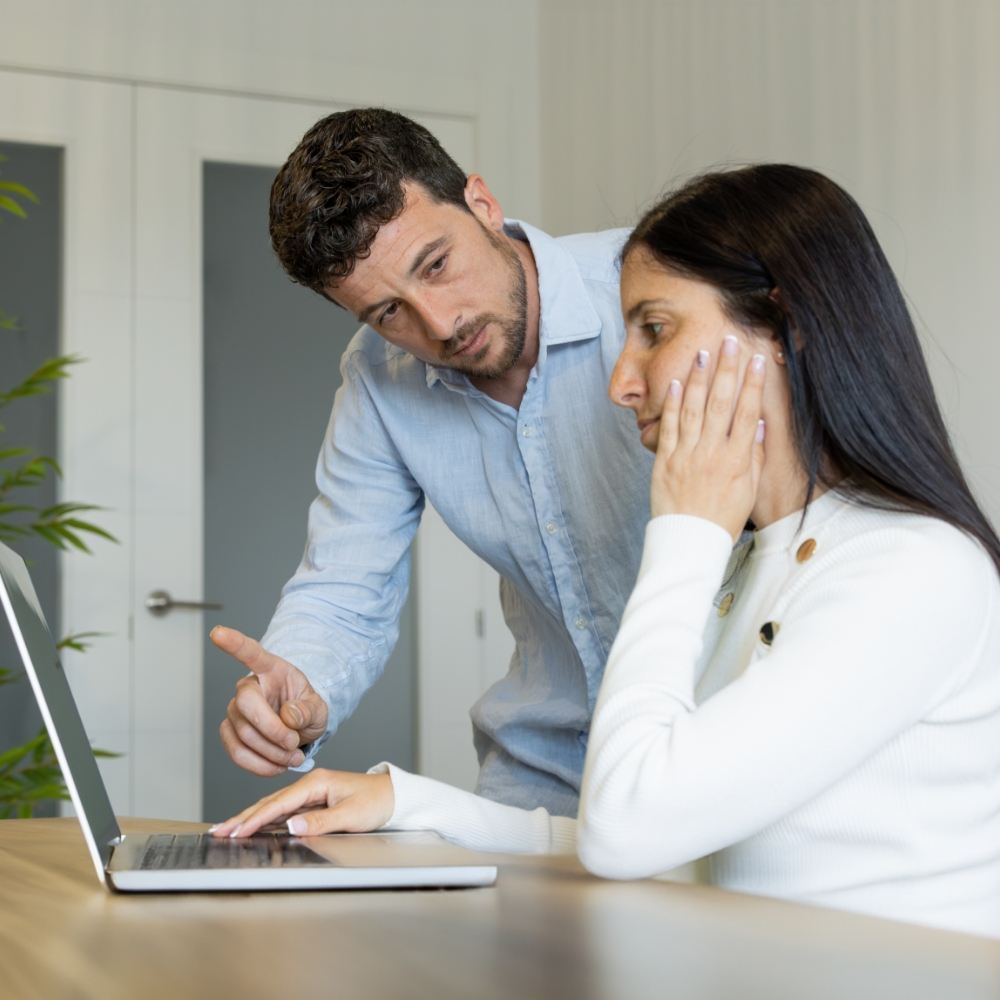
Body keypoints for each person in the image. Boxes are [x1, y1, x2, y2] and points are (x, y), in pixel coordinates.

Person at [212, 164, 1000, 939]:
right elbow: (650, 844)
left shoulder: (912, 572)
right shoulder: (756, 565)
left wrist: (687, 529)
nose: (620, 383)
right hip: (635, 841)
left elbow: (630, 832)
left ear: (787, 326)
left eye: (653, 331)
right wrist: (407, 802)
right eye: (388, 311)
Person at [209, 107, 653, 816]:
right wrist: (297, 688)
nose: (441, 325)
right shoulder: (378, 377)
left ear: (482, 203)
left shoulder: (654, 290)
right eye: (388, 311)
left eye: (436, 265)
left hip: (715, 741)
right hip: (547, 769)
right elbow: (345, 584)